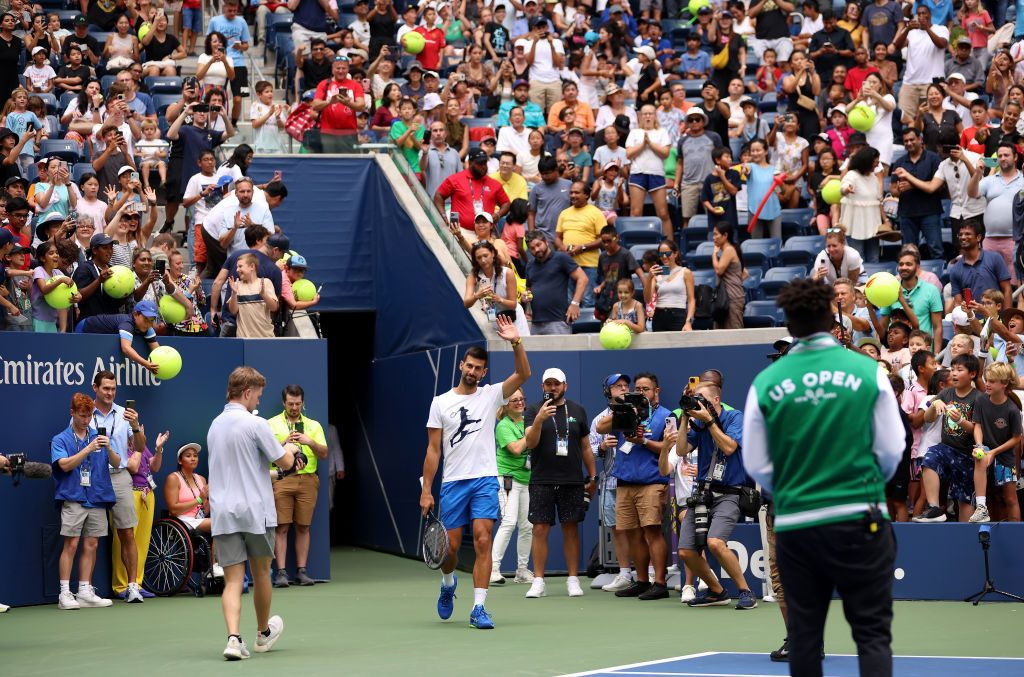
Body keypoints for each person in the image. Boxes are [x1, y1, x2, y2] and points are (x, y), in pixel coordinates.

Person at [743, 278, 903, 676]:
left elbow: (757, 463)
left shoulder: (766, 382)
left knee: (805, 637)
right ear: (833, 321)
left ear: (790, 326)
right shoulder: (867, 371)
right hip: (860, 519)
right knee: (872, 635)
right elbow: (890, 450)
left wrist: (797, 491)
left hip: (798, 523)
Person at [421, 318, 530, 629]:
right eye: (468, 366)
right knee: (449, 550)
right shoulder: (440, 402)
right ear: (461, 366)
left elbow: (524, 373)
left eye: (478, 368)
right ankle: (448, 584)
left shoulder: (492, 394)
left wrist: (515, 341)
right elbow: (433, 450)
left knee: (483, 540)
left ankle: (478, 608)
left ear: (483, 373)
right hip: (453, 482)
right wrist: (426, 490)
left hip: (484, 479)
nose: (472, 371)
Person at [208, 366, 305, 660]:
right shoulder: (256, 424)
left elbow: (250, 469)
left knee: (233, 580)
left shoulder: (214, 425)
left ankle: (233, 640)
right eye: (258, 396)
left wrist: (273, 472)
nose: (259, 402)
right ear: (247, 393)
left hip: (224, 513)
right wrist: (289, 448)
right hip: (256, 512)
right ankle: (263, 634)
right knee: (262, 573)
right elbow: (287, 460)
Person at [676, 380, 757, 610]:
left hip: (729, 493)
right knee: (686, 551)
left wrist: (710, 421)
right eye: (695, 398)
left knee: (715, 543)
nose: (698, 402)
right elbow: (681, 450)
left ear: (716, 399)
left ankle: (745, 591)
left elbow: (729, 448)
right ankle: (717, 590)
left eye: (701, 397)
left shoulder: (734, 417)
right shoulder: (698, 424)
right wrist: (684, 418)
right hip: (703, 494)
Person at [595, 372, 672, 600]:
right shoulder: (626, 412)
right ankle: (641, 580)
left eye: (645, 389)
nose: (641, 393)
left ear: (656, 392)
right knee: (633, 534)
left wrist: (644, 441)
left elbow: (670, 449)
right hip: (625, 481)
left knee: (652, 532)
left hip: (651, 482)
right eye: (637, 389)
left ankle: (659, 583)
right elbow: (600, 427)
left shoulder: (666, 416)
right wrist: (625, 408)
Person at [521, 367, 596, 599]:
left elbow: (585, 446)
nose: (552, 388)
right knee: (540, 529)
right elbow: (530, 443)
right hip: (542, 478)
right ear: (542, 386)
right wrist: (540, 419)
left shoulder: (578, 410)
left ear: (565, 386)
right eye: (548, 384)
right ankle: (539, 581)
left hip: (572, 479)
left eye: (557, 384)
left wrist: (592, 476)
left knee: (571, 528)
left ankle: (573, 580)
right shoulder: (533, 409)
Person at [52, 392, 122, 610]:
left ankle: (84, 591)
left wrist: (108, 447)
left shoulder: (98, 436)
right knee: (71, 544)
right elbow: (64, 465)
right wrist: (88, 449)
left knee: (92, 544)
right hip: (73, 496)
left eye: (89, 415)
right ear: (72, 413)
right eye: (82, 415)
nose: (85, 419)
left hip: (97, 496)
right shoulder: (60, 439)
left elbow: (117, 463)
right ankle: (65, 593)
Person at [87, 370, 147, 604]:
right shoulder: (85, 413)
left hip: (120, 476)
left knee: (127, 533)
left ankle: (133, 587)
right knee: (92, 536)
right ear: (95, 388)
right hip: (93, 478)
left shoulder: (125, 414)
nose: (110, 393)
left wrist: (135, 425)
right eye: (105, 388)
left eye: (113, 389)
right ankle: (87, 590)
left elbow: (140, 446)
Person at [265, 384, 328, 588]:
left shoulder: (313, 425)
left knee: (303, 526)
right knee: (281, 526)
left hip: (308, 478)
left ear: (303, 403)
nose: (294, 407)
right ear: (284, 403)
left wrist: (308, 441)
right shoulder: (270, 424)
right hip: (282, 478)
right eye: (291, 404)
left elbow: (324, 453)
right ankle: (281, 573)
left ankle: (302, 571)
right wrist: (284, 442)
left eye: (298, 404)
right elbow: (263, 453)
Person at [914, 353, 982, 522]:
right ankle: (935, 509)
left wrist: (959, 420)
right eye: (952, 370)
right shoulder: (946, 393)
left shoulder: (979, 398)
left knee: (965, 500)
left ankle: (966, 542)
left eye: (959, 370)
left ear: (972, 374)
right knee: (930, 458)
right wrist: (934, 405)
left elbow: (976, 429)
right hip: (947, 449)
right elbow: (927, 418)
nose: (954, 373)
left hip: (968, 455)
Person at [111, 429, 166, 600]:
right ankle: (121, 585)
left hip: (147, 495)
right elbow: (133, 468)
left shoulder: (142, 447)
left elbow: (154, 467)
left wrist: (158, 450)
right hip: (129, 494)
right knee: (125, 540)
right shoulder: (120, 448)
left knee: (142, 541)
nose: (138, 431)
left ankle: (137, 583)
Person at [489, 388, 534, 585]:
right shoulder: (503, 426)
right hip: (507, 478)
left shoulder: (527, 422)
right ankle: (492, 570)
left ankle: (522, 571)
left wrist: (533, 429)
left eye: (521, 399)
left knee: (527, 526)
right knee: (508, 522)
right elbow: (516, 449)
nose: (519, 403)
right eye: (514, 400)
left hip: (527, 479)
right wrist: (532, 433)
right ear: (506, 404)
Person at [969, 362, 1022, 523]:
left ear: (1004, 384)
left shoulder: (1012, 409)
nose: (987, 384)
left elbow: (1017, 437)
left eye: (992, 381)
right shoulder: (981, 400)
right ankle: (981, 508)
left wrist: (994, 452)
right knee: (991, 496)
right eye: (987, 380)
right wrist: (979, 445)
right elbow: (977, 426)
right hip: (985, 451)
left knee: (1010, 499)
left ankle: (1016, 535)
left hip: (1005, 457)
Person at [968, 142, 1023, 283]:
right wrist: (977, 173)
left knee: (1017, 283)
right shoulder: (989, 180)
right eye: (1000, 156)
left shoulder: (1023, 180)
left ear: (1015, 157)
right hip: (990, 240)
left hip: (1016, 240)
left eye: (1006, 155)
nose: (1003, 158)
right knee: (989, 283)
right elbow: (972, 193)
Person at [891, 128, 944, 260]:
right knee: (908, 253)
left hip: (930, 212)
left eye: (912, 139)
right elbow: (893, 191)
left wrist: (911, 183)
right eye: (906, 141)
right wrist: (899, 189)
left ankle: (938, 280)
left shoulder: (933, 159)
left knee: (936, 249)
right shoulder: (899, 162)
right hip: (907, 214)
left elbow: (937, 187)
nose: (909, 143)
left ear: (920, 139)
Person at [892, 5, 949, 127]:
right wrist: (907, 29)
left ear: (930, 15)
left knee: (931, 120)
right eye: (919, 14)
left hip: (931, 83)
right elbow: (897, 46)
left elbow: (941, 44)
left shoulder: (941, 29)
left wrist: (927, 29)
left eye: (924, 13)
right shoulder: (912, 32)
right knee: (904, 119)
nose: (922, 16)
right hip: (910, 83)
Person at [524, 230, 587, 334]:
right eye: (532, 248)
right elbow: (529, 290)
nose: (536, 249)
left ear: (546, 242)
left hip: (558, 321)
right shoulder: (530, 265)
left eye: (538, 245)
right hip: (535, 323)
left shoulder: (561, 258)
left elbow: (583, 278)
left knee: (561, 351)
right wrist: (526, 300)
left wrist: (575, 303)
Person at [434, 149, 511, 233]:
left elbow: (506, 203)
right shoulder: (455, 179)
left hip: (485, 234)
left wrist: (498, 215)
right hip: (460, 232)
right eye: (479, 164)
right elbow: (439, 195)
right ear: (470, 163)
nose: (483, 166)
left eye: (485, 163)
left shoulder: (494, 184)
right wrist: (443, 215)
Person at [555, 181, 604, 307]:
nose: (572, 195)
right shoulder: (564, 213)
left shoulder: (596, 213)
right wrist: (563, 248)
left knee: (587, 301)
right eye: (571, 192)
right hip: (568, 264)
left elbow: (603, 239)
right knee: (568, 301)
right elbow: (557, 238)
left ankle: (588, 327)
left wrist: (582, 247)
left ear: (587, 195)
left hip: (588, 265)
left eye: (577, 192)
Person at [625, 104, 672, 236]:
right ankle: (633, 243)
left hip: (656, 174)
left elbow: (665, 153)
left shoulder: (662, 132)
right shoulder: (634, 132)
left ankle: (670, 245)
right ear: (640, 116)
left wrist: (650, 143)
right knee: (635, 212)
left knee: (663, 213)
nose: (647, 116)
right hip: (637, 174)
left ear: (655, 116)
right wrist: (643, 144)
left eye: (650, 113)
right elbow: (629, 154)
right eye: (645, 114)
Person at [947, 221, 1012, 306]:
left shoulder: (994, 258)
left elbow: (1007, 289)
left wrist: (1005, 317)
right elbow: (958, 302)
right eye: (960, 234)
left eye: (967, 234)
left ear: (978, 237)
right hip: (972, 318)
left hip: (995, 318)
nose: (963, 237)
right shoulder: (955, 270)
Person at [839, 147, 887, 263]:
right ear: (867, 161)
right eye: (876, 161)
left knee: (874, 258)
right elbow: (844, 187)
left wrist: (885, 220)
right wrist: (846, 189)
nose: (878, 164)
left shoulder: (874, 178)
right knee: (858, 260)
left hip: (873, 226)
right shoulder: (852, 175)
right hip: (855, 225)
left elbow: (877, 201)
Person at [312, 55, 366, 153]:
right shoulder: (324, 84)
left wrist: (348, 103)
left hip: (349, 132)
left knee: (350, 163)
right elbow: (315, 105)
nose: (340, 71)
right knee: (330, 163)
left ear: (348, 69)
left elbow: (361, 106)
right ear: (332, 69)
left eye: (343, 68)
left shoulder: (355, 85)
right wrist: (330, 102)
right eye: (338, 68)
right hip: (328, 133)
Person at [644, 239, 695, 331]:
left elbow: (691, 300)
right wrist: (649, 278)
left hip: (678, 315)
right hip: (659, 315)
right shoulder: (656, 274)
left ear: (675, 254)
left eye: (667, 253)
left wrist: (688, 322)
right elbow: (647, 299)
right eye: (661, 254)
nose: (664, 257)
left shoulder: (685, 272)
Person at [711, 223, 746, 329]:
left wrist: (714, 254)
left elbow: (719, 270)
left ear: (725, 235)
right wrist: (736, 282)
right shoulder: (729, 250)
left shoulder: (729, 250)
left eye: (716, 234)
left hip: (732, 299)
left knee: (735, 335)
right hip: (725, 298)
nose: (714, 238)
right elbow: (745, 273)